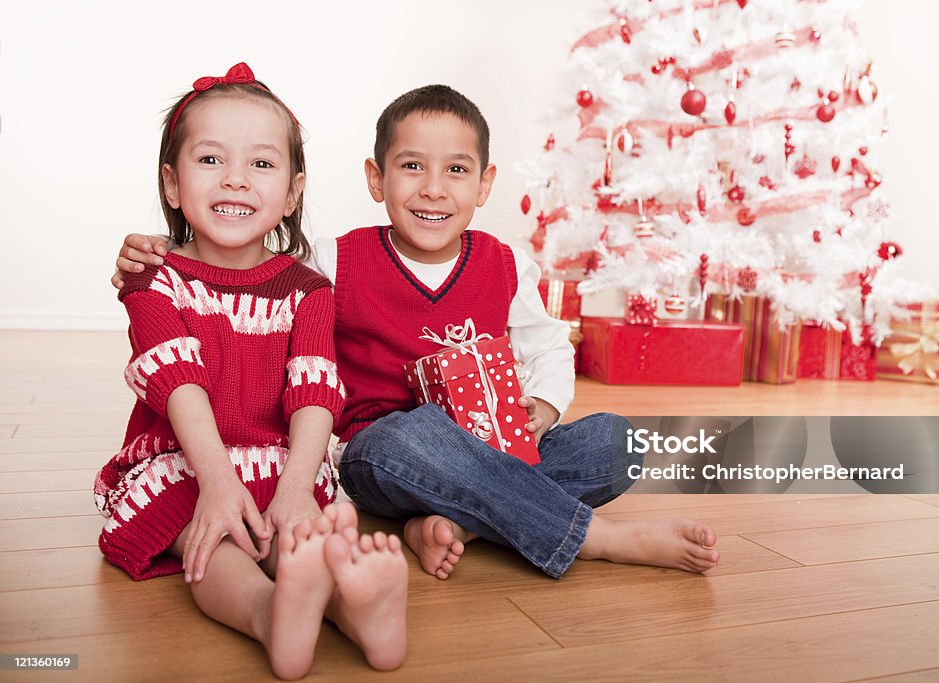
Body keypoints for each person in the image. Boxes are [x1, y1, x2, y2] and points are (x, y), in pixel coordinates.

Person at [113, 84, 720, 584]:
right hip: (384, 452)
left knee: (619, 442)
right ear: (377, 179)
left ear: (484, 185)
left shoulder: (506, 265)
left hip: (492, 447)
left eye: (457, 171)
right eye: (411, 168)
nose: (434, 188)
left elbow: (548, 347)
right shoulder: (331, 262)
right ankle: (596, 538)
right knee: (414, 432)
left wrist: (544, 405)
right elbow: (240, 260)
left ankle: (463, 522)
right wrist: (160, 254)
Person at [97, 63, 406, 678]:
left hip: (284, 462)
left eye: (261, 165)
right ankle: (270, 612)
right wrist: (217, 480)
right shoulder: (156, 280)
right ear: (172, 183)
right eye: (210, 160)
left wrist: (295, 487)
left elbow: (316, 387)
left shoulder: (308, 288)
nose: (236, 179)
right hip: (189, 462)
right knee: (213, 540)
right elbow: (175, 378)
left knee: (304, 537)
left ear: (292, 192)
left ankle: (358, 608)